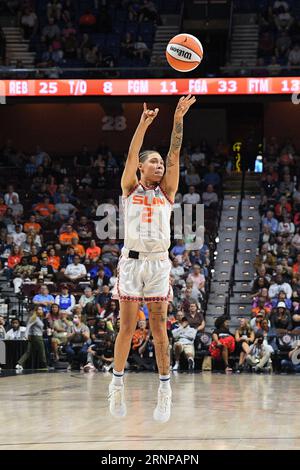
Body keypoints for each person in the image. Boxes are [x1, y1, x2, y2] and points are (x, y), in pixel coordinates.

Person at [108, 96, 196, 422]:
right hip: (131, 263)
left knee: (160, 329)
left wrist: (178, 118)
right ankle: (116, 386)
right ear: (142, 167)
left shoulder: (167, 192)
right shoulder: (130, 186)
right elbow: (132, 154)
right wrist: (143, 124)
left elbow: (175, 153)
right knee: (127, 328)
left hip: (158, 263)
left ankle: (164, 390)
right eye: (154, 162)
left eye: (160, 163)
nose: (159, 165)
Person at [16, 306, 48, 371]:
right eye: (39, 309)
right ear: (36, 311)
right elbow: (28, 326)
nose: (41, 311)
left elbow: (35, 328)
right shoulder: (34, 318)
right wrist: (26, 335)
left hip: (35, 336)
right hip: (37, 337)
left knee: (28, 351)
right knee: (42, 351)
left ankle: (19, 364)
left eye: (41, 309)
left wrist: (44, 331)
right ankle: (44, 365)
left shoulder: (39, 318)